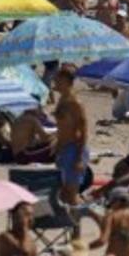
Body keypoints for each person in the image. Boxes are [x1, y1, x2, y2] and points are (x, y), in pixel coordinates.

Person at [53, 65, 89, 207]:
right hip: (64, 150)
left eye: (58, 80)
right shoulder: (61, 100)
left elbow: (83, 130)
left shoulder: (75, 103)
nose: (55, 82)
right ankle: (74, 225)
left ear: (67, 81)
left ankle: (92, 218)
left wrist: (79, 158)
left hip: (75, 150)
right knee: (63, 194)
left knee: (71, 195)